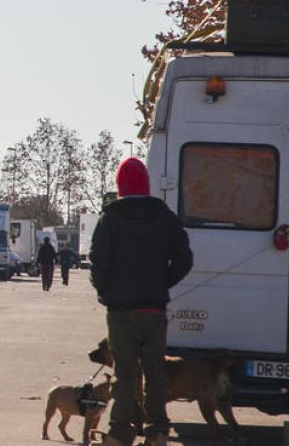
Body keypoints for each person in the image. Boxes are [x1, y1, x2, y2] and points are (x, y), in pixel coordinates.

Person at [89, 157, 193, 446]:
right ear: (146, 185)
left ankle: (120, 435)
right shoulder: (164, 216)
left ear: (120, 185)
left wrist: (105, 291)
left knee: (124, 375)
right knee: (154, 374)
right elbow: (185, 258)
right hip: (154, 308)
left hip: (121, 311)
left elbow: (98, 261)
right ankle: (157, 433)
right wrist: (162, 283)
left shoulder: (110, 218)